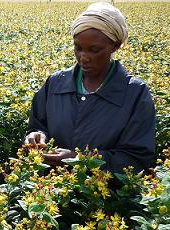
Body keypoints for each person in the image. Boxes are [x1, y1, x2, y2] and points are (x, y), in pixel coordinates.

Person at [24, 2, 155, 174]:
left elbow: (137, 159)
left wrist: (81, 161)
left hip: (104, 199)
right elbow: (37, 125)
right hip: (49, 192)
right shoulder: (55, 84)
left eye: (95, 50)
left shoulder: (135, 94)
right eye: (78, 48)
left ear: (114, 46)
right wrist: (35, 136)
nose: (83, 58)